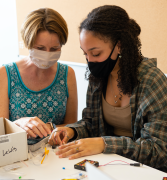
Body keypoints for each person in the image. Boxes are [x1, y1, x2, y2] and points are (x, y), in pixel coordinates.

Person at [48, 5, 167, 172]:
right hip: (110, 166)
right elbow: (91, 123)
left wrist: (104, 144)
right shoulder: (98, 78)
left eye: (95, 54)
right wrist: (71, 131)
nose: (89, 61)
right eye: (85, 54)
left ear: (119, 46)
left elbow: (158, 150)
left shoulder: (151, 81)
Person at [0, 8, 78, 140]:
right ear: (28, 43)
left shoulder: (67, 74)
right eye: (40, 48)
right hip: (15, 152)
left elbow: (72, 126)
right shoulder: (5, 74)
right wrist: (18, 124)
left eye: (54, 49)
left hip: (55, 153)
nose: (47, 54)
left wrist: (49, 128)